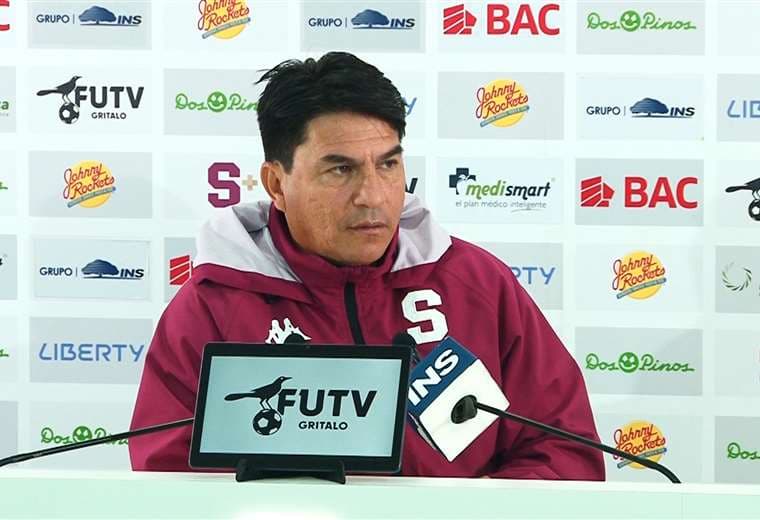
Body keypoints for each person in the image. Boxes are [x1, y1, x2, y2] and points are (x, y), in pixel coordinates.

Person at [129, 52, 605, 480]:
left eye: (388, 165)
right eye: (341, 170)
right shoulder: (212, 307)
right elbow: (168, 480)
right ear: (276, 184)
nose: (373, 196)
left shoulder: (477, 284)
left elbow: (566, 452)